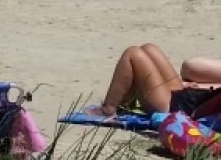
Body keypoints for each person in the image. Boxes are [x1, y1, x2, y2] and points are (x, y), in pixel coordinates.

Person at [88, 43, 221, 117]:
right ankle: (123, 104)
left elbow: (202, 111)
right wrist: (199, 89)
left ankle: (107, 110)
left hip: (173, 107)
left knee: (132, 54)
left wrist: (192, 117)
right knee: (149, 48)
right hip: (186, 97)